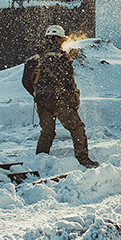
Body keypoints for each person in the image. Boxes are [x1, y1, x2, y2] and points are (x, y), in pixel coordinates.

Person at [22, 25, 98, 168]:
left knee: (47, 131)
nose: (63, 42)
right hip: (58, 99)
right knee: (77, 128)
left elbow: (25, 81)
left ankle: (40, 160)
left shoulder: (32, 58)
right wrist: (73, 101)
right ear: (57, 39)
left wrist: (37, 93)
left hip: (41, 100)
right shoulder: (62, 56)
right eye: (62, 40)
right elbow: (68, 82)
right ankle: (83, 159)